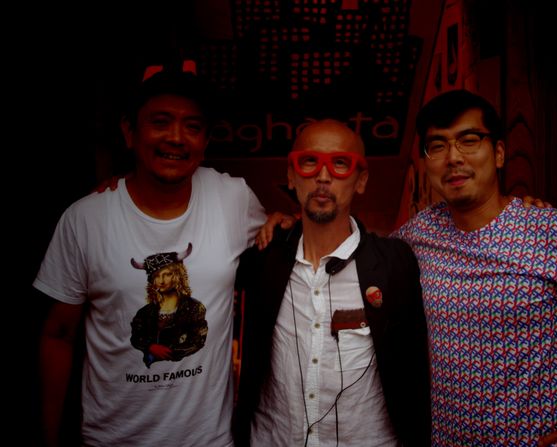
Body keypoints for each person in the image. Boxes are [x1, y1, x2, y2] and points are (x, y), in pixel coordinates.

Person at [34, 60, 265, 446]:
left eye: (192, 127)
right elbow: (58, 334)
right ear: (130, 132)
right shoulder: (86, 219)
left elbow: (287, 244)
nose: (176, 138)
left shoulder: (234, 199)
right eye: (160, 122)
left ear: (206, 141)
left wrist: (283, 219)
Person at [389, 89, 557, 446]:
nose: (453, 157)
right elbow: (360, 256)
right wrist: (292, 229)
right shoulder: (418, 235)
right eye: (437, 146)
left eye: (469, 140)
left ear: (499, 153)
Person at [234, 119, 431, 446]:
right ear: (291, 176)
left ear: (361, 180)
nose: (323, 176)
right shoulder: (263, 259)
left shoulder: (395, 265)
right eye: (309, 161)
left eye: (340, 164)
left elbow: (413, 375)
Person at [129, 243, 208, 368]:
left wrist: (169, 353)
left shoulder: (194, 308)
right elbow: (136, 337)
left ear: (177, 275)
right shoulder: (144, 312)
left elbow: (197, 341)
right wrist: (150, 346)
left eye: (167, 274)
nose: (161, 281)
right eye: (156, 276)